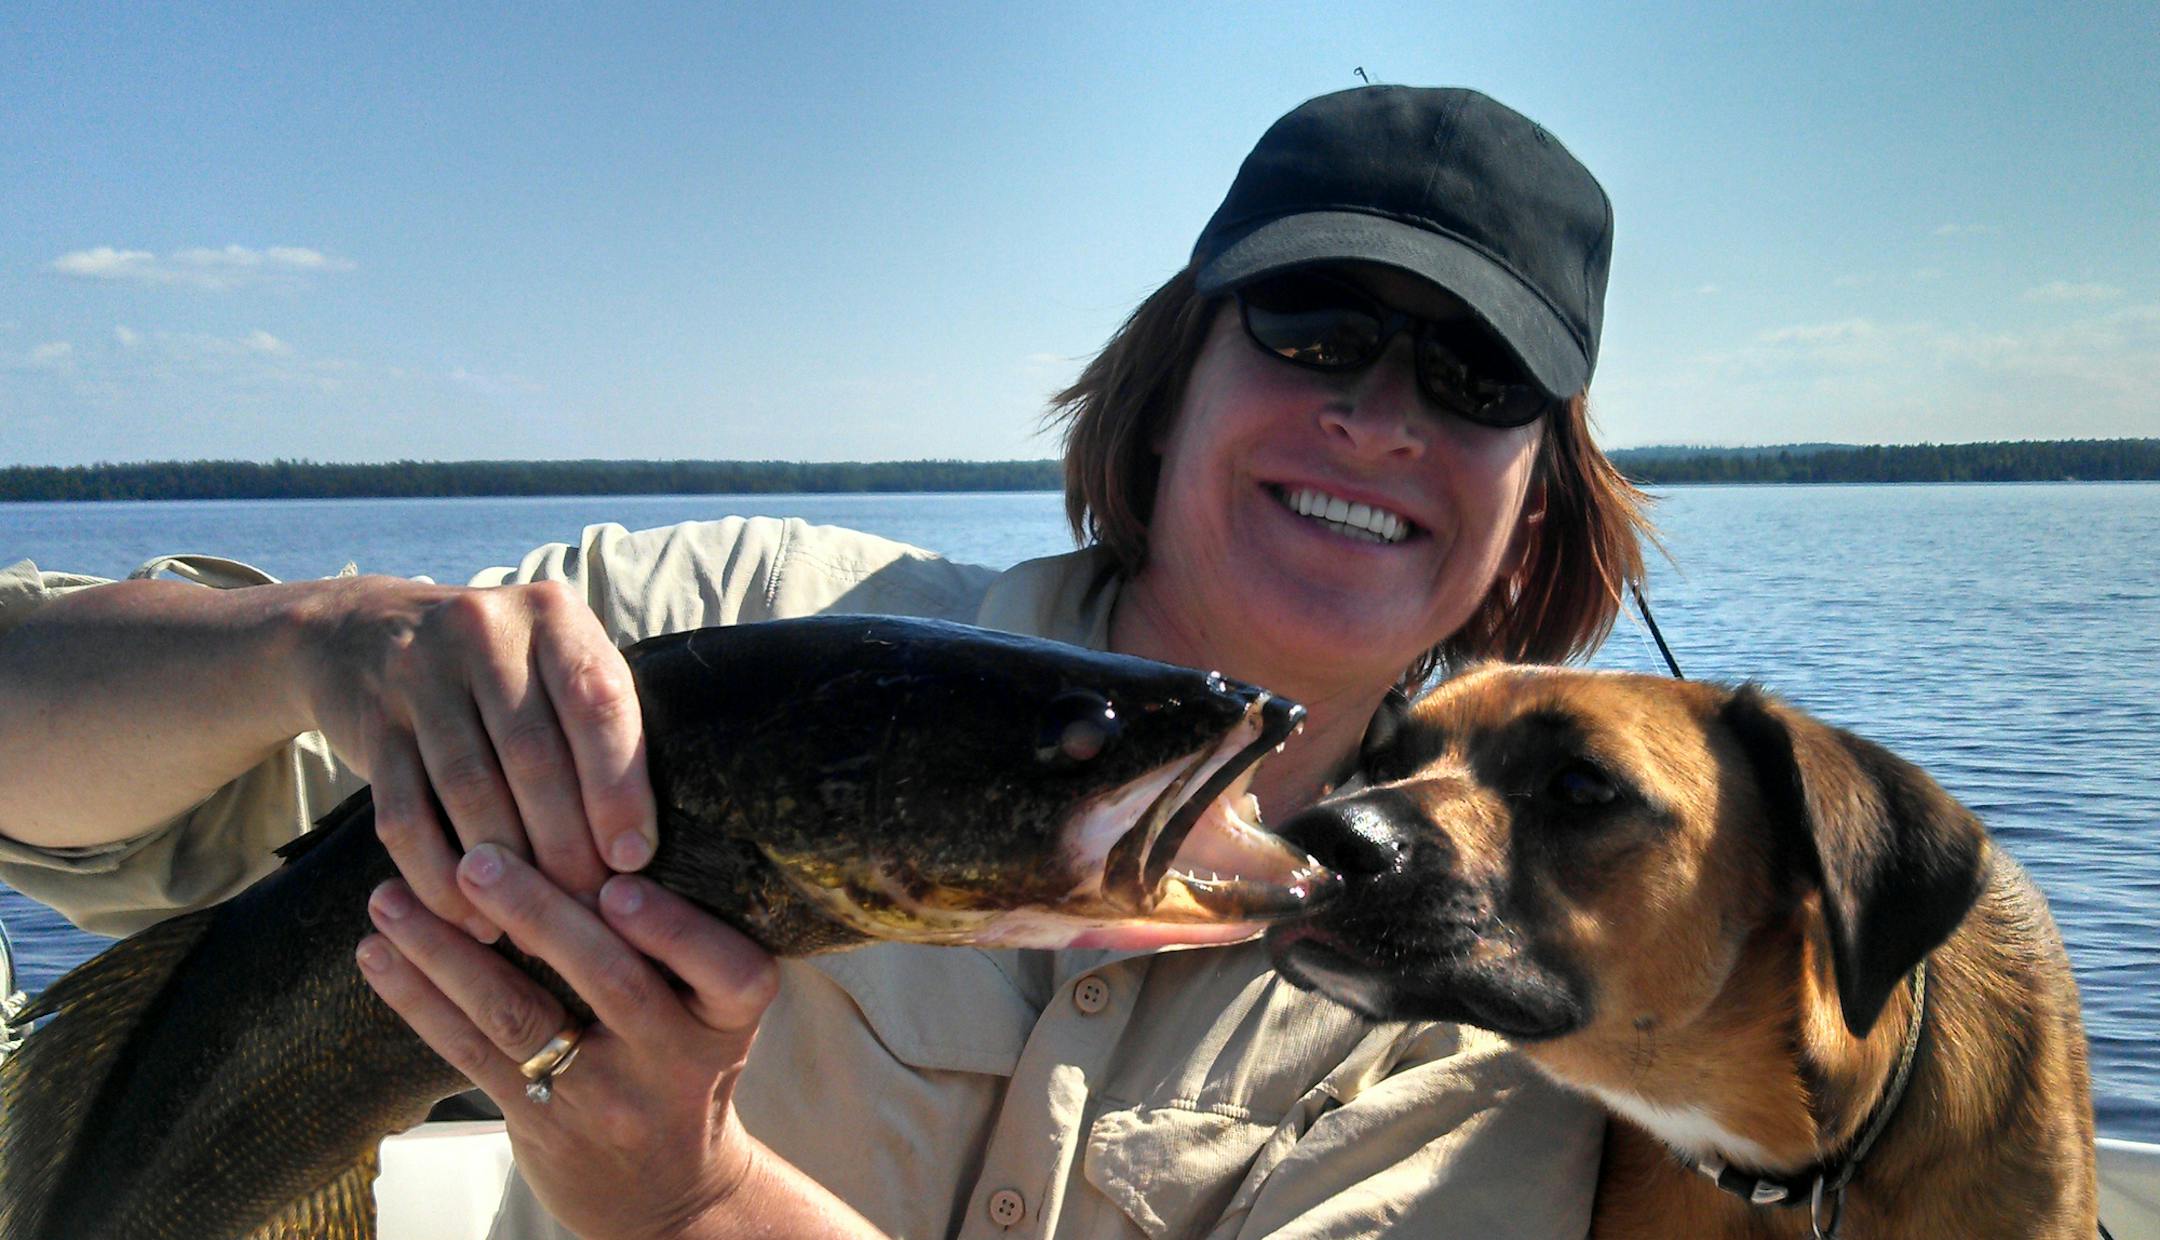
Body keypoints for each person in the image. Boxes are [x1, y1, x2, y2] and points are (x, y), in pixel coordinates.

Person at [0, 85, 1652, 1238]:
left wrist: (690, 1203)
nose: (1378, 415)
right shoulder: (702, 623)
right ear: (1173, 383)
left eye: (1477, 378)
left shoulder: (1478, 1009)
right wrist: (312, 641)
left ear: (1541, 504)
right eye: (1314, 327)